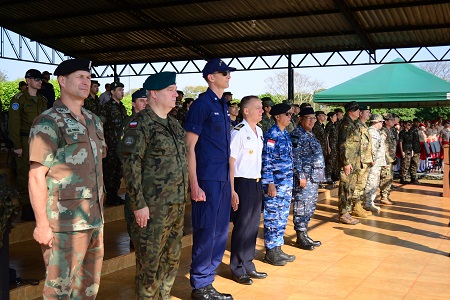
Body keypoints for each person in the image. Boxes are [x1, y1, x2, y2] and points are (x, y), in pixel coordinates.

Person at [28, 59, 105, 299]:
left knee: (87, 291)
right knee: (58, 293)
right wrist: (41, 225)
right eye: (80, 76)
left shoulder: (93, 120)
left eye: (88, 77)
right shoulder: (48, 121)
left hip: (94, 219)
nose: (86, 82)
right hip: (64, 225)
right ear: (62, 81)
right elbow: (36, 176)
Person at [120, 72, 188, 299]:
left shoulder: (175, 125)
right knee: (149, 266)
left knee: (171, 261)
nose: (175, 94)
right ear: (154, 94)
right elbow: (131, 166)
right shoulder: (139, 124)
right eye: (171, 90)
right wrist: (139, 204)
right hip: (151, 209)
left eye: (175, 90)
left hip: (175, 206)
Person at [184, 58, 235, 300]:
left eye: (228, 73)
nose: (228, 76)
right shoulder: (202, 105)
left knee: (220, 232)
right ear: (210, 77)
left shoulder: (223, 105)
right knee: (207, 231)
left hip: (223, 179)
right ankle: (201, 284)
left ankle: (208, 281)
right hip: (207, 179)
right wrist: (194, 183)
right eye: (223, 72)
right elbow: (190, 146)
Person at [229, 95, 266, 285]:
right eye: (258, 108)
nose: (262, 111)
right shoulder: (239, 131)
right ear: (246, 111)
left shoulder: (259, 130)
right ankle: (237, 268)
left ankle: (248, 264)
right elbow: (231, 161)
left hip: (255, 182)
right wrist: (232, 190)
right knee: (242, 226)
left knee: (252, 226)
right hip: (241, 183)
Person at [8, 68, 47, 221]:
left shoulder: (43, 99)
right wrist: (17, 145)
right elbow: (13, 124)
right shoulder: (18, 100)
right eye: (37, 79)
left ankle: (39, 205)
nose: (40, 82)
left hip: (41, 141)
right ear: (28, 80)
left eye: (41, 80)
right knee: (24, 174)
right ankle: (26, 207)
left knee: (41, 172)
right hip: (25, 141)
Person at [261, 103, 296, 266]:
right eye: (287, 114)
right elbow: (266, 159)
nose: (290, 117)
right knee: (272, 217)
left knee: (282, 217)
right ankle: (270, 251)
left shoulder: (285, 134)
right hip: (275, 184)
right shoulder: (271, 135)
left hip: (286, 184)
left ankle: (278, 248)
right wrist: (269, 183)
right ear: (277, 117)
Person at [290, 107, 325, 250]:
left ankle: (304, 233)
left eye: (313, 118)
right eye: (308, 118)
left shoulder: (310, 134)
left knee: (309, 206)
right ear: (300, 119)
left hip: (314, 177)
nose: (312, 121)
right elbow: (295, 157)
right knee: (302, 205)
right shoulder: (297, 135)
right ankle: (300, 235)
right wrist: (301, 176)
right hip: (305, 178)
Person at [120, 88, 148, 249]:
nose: (145, 104)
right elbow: (124, 152)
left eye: (146, 100)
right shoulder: (131, 123)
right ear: (133, 104)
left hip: (150, 178)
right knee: (133, 209)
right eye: (141, 101)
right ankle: (134, 240)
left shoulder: (151, 121)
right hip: (136, 175)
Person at [99, 81, 128, 205]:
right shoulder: (106, 107)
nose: (122, 92)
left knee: (118, 171)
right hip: (110, 145)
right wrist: (103, 143)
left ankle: (114, 195)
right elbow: (100, 125)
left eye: (122, 89)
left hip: (120, 146)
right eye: (120, 90)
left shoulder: (122, 107)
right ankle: (110, 197)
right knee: (109, 172)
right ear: (112, 92)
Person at [337, 101, 361, 225]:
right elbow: (342, 145)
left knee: (350, 188)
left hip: (353, 162)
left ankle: (347, 212)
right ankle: (343, 213)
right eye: (357, 110)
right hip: (347, 162)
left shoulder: (353, 124)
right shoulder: (346, 124)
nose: (359, 112)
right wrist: (346, 162)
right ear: (350, 111)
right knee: (345, 188)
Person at [364, 114, 391, 213]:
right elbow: (373, 148)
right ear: (375, 122)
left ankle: (370, 202)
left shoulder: (377, 132)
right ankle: (367, 203)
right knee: (371, 182)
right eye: (381, 122)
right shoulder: (372, 132)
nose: (382, 123)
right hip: (374, 162)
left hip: (378, 162)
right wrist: (373, 159)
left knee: (375, 183)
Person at [352, 104, 373, 218]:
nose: (369, 114)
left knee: (362, 184)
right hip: (359, 160)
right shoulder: (357, 126)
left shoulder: (364, 125)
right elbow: (355, 144)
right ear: (360, 113)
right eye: (367, 112)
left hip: (366, 159)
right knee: (358, 184)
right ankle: (356, 207)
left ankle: (358, 205)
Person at [379, 113, 397, 205]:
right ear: (386, 121)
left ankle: (386, 195)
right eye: (391, 120)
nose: (393, 121)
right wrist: (387, 159)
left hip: (391, 158)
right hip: (386, 159)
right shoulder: (383, 131)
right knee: (385, 177)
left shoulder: (391, 130)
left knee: (389, 177)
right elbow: (383, 147)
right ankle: (384, 196)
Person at [325, 111, 339, 183]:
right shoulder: (329, 125)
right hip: (331, 146)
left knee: (334, 161)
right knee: (330, 161)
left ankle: (334, 176)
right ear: (331, 118)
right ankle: (328, 176)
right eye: (334, 116)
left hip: (335, 146)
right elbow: (326, 136)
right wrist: (328, 146)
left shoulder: (335, 125)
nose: (336, 118)